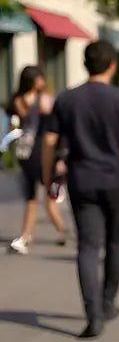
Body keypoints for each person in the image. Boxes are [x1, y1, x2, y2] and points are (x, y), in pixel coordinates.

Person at [42, 40, 119, 339]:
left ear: (84, 64)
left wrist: (47, 176)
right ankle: (107, 301)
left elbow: (50, 142)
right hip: (117, 180)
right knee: (116, 243)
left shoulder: (66, 99)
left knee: (88, 247)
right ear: (113, 65)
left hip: (82, 180)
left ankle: (93, 314)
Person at [6, 66, 67, 254]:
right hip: (42, 149)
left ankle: (26, 235)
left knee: (31, 197)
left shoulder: (17, 100)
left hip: (24, 149)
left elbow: (15, 124)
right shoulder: (44, 101)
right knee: (49, 194)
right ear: (35, 80)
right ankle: (61, 230)